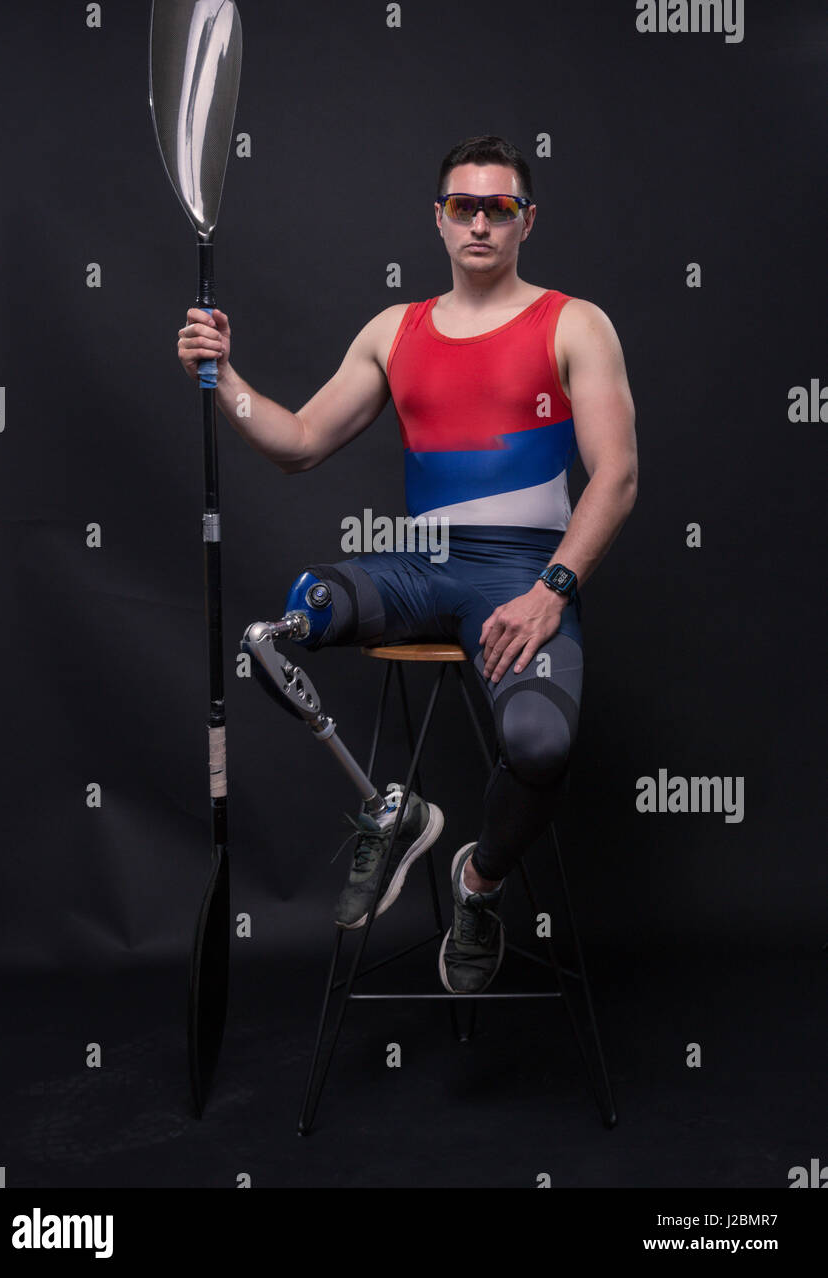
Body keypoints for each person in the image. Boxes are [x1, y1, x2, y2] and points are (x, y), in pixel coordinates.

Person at [177, 134, 638, 994]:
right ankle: (395, 814)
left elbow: (617, 476)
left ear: (525, 221)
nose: (480, 222)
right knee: (283, 629)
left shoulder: (573, 322)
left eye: (499, 208)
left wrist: (553, 592)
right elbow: (301, 444)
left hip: (525, 574)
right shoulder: (397, 331)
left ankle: (477, 884)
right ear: (438, 218)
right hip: (419, 565)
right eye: (463, 205)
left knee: (538, 744)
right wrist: (224, 374)